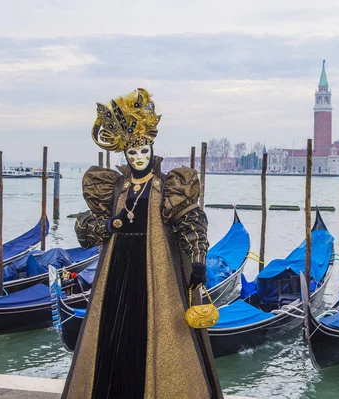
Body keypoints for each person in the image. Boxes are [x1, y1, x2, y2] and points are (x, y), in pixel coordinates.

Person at [62, 88, 223, 398]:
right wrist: (108, 225)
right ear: (125, 155)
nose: (138, 158)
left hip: (157, 273)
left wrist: (198, 261)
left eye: (144, 152)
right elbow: (84, 225)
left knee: (156, 331)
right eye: (133, 153)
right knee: (111, 332)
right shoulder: (113, 186)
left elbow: (192, 223)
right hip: (117, 271)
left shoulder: (169, 186)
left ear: (152, 152)